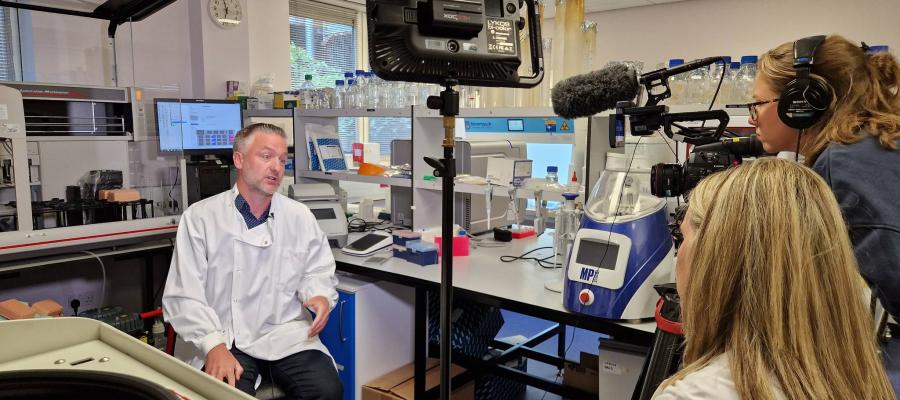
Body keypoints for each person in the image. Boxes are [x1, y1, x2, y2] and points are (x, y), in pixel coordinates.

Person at [652, 158, 894, 400]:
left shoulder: (695, 395)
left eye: (681, 238)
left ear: (713, 259)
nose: (678, 255)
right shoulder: (859, 381)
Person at [751, 35, 900, 391]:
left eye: (758, 103)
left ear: (804, 102)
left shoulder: (843, 164)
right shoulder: (875, 143)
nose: (753, 115)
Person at [162, 123, 342, 399]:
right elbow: (184, 296)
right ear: (239, 159)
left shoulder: (299, 216)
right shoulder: (201, 218)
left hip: (288, 334)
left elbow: (317, 270)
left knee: (327, 391)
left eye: (282, 160)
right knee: (227, 395)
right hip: (227, 336)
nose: (276, 167)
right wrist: (213, 345)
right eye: (266, 156)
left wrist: (318, 295)